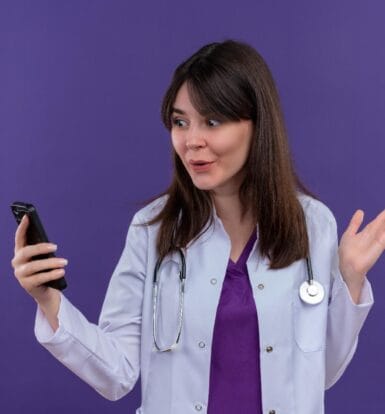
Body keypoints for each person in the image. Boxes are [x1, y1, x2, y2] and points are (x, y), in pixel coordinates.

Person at [11, 40, 385, 414]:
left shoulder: (312, 225)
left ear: (257, 124)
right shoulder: (152, 230)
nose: (192, 141)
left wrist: (350, 280)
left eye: (213, 121)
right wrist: (49, 300)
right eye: (180, 122)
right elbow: (117, 373)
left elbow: (319, 373)